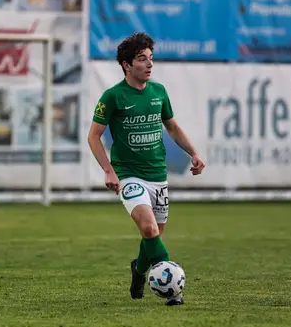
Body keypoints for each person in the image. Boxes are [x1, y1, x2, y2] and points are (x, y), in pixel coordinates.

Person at [87, 32, 206, 306]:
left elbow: (172, 127)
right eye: (142, 59)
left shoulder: (158, 92)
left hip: (158, 176)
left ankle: (139, 270)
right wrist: (108, 170)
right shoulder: (113, 96)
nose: (149, 64)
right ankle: (173, 289)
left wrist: (194, 153)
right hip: (129, 175)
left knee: (153, 237)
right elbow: (93, 136)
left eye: (151, 58)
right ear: (127, 65)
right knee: (150, 230)